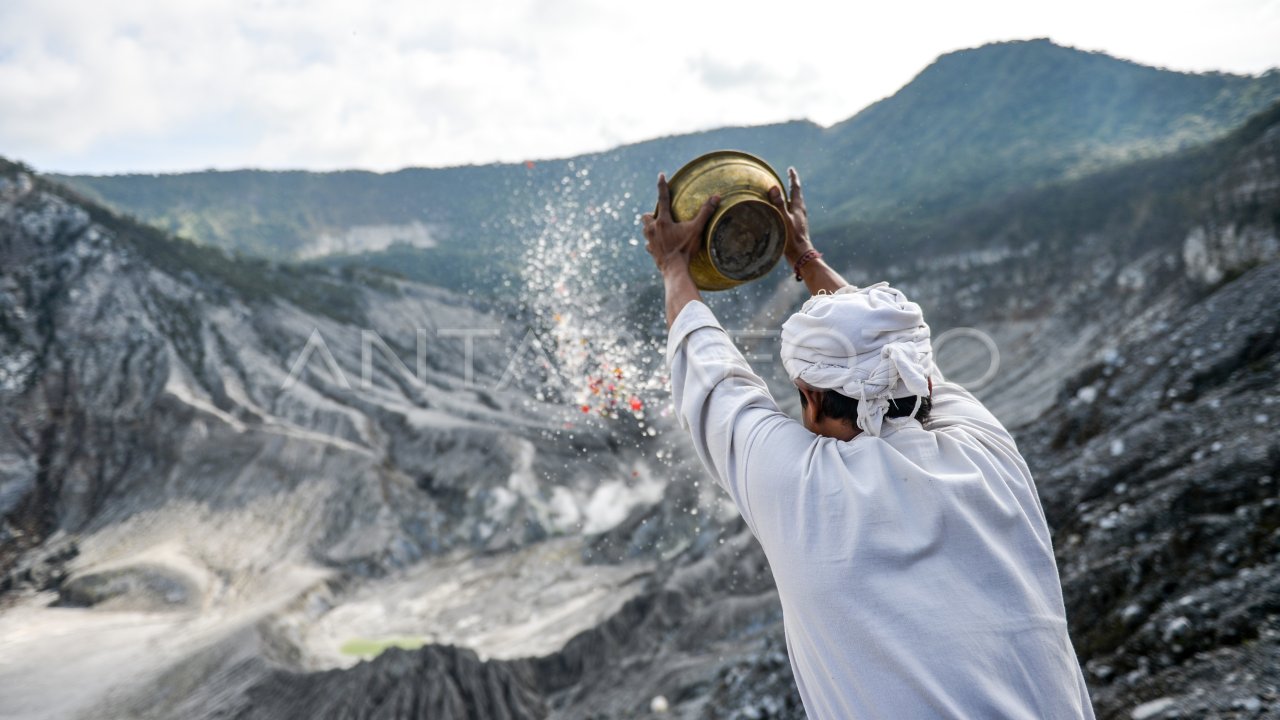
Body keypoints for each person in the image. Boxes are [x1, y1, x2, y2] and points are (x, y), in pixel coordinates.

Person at [641, 168, 1095, 719]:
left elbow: (710, 373)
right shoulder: (986, 447)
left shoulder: (800, 487)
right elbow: (891, 351)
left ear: (809, 398)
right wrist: (804, 254)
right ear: (920, 379)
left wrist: (673, 266)